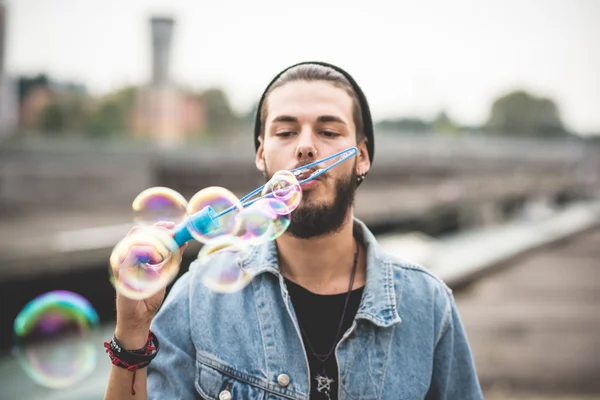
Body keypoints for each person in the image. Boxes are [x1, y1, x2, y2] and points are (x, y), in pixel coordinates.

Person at [104, 61, 483, 400]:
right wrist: (132, 332)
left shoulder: (428, 305)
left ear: (362, 156)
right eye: (285, 132)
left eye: (329, 132)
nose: (304, 147)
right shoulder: (196, 296)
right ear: (261, 154)